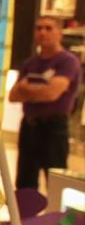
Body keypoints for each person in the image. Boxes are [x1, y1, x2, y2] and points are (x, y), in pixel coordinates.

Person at [10, 15, 81, 194]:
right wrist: (38, 91)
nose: (43, 32)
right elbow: (13, 96)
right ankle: (26, 213)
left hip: (54, 128)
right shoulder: (29, 63)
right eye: (39, 28)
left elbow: (52, 94)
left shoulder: (68, 61)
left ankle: (55, 214)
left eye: (49, 28)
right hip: (29, 127)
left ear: (60, 33)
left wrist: (26, 89)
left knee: (56, 182)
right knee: (25, 183)